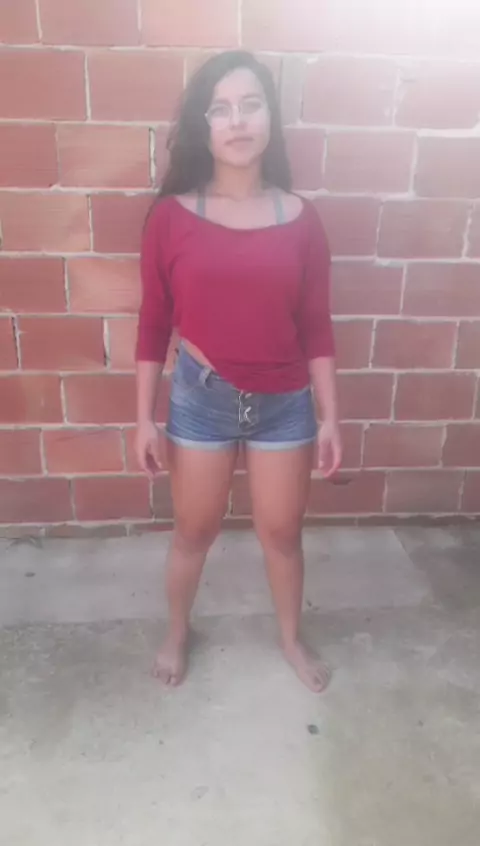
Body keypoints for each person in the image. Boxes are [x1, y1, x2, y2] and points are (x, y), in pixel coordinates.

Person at [135, 50, 342, 693]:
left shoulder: (302, 219)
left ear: (270, 118)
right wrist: (143, 417)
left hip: (285, 403)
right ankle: (176, 631)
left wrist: (332, 416)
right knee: (194, 531)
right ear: (204, 127)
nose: (238, 120)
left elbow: (316, 324)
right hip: (201, 399)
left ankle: (290, 638)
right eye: (221, 108)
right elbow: (153, 321)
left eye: (251, 104)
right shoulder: (171, 217)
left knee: (282, 533)